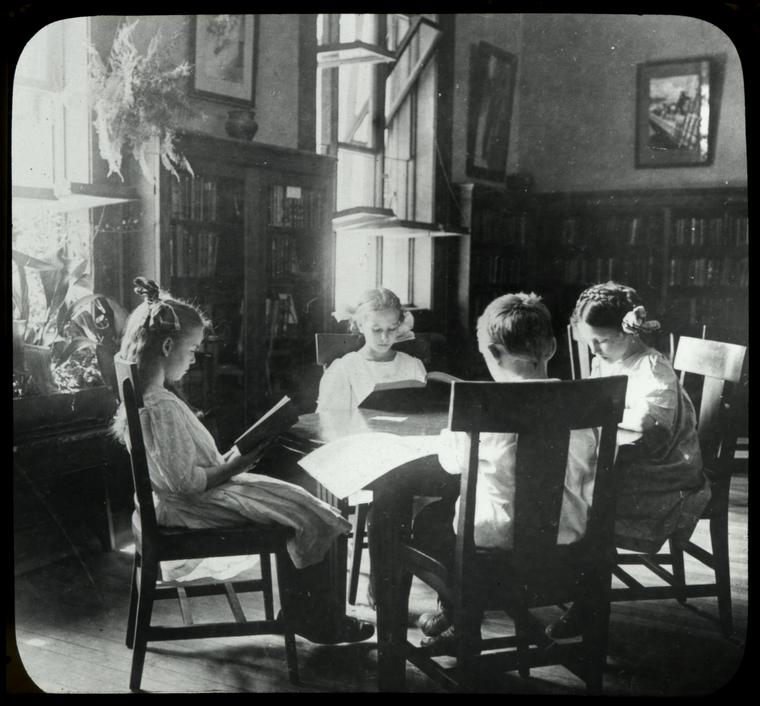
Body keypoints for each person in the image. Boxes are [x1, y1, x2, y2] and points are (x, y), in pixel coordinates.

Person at [111, 277, 373, 645]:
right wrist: (238, 464)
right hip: (193, 507)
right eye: (192, 351)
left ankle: (305, 611)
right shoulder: (162, 406)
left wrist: (235, 456)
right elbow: (187, 483)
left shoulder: (151, 397)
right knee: (308, 510)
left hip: (185, 502)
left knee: (298, 502)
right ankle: (317, 618)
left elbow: (181, 470)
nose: (194, 360)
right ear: (168, 346)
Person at [411, 292, 600, 654]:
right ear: (553, 347)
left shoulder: (483, 406)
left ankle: (461, 621)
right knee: (462, 515)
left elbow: (451, 464)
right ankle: (475, 617)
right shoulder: (585, 404)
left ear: (494, 353)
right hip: (567, 545)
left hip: (493, 550)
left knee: (430, 521)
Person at [547, 281, 710, 640]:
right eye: (588, 341)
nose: (594, 350)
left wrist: (605, 420)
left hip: (662, 472)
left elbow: (653, 433)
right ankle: (564, 580)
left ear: (630, 332)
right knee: (567, 481)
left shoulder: (652, 367)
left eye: (602, 340)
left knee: (584, 498)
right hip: (623, 458)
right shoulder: (607, 359)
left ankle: (587, 601)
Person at [316, 287, 427, 411]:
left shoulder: (413, 365)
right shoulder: (344, 368)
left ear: (399, 325)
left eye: (392, 328)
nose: (384, 338)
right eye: (376, 330)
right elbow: (328, 420)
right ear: (361, 325)